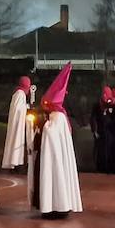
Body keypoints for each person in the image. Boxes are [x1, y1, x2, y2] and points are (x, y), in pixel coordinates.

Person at [30, 63, 83, 218]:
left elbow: (50, 133)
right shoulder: (58, 116)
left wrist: (43, 124)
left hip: (54, 158)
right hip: (52, 156)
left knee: (56, 176)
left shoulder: (57, 117)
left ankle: (57, 206)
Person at [1, 76, 33, 170]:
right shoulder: (20, 94)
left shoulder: (18, 93)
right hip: (17, 123)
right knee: (16, 140)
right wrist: (27, 107)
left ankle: (16, 162)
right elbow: (18, 109)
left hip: (17, 122)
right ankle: (15, 163)